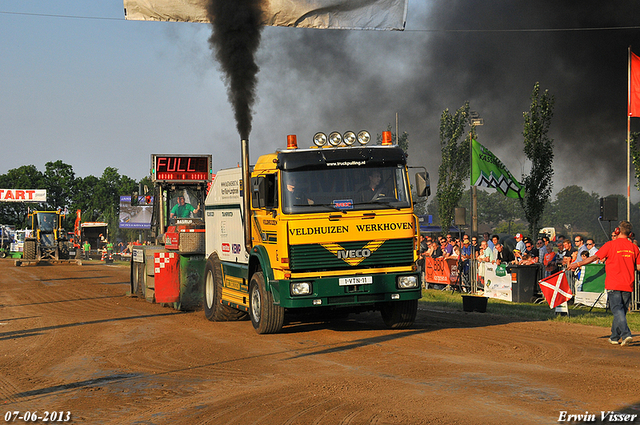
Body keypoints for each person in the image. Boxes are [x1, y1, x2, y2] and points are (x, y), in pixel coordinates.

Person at [567, 220, 639, 346]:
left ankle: (626, 334)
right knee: (621, 311)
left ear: (618, 231)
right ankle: (614, 337)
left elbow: (593, 258)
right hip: (628, 283)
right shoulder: (634, 247)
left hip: (614, 283)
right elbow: (638, 267)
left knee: (617, 310)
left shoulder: (610, 245)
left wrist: (577, 263)